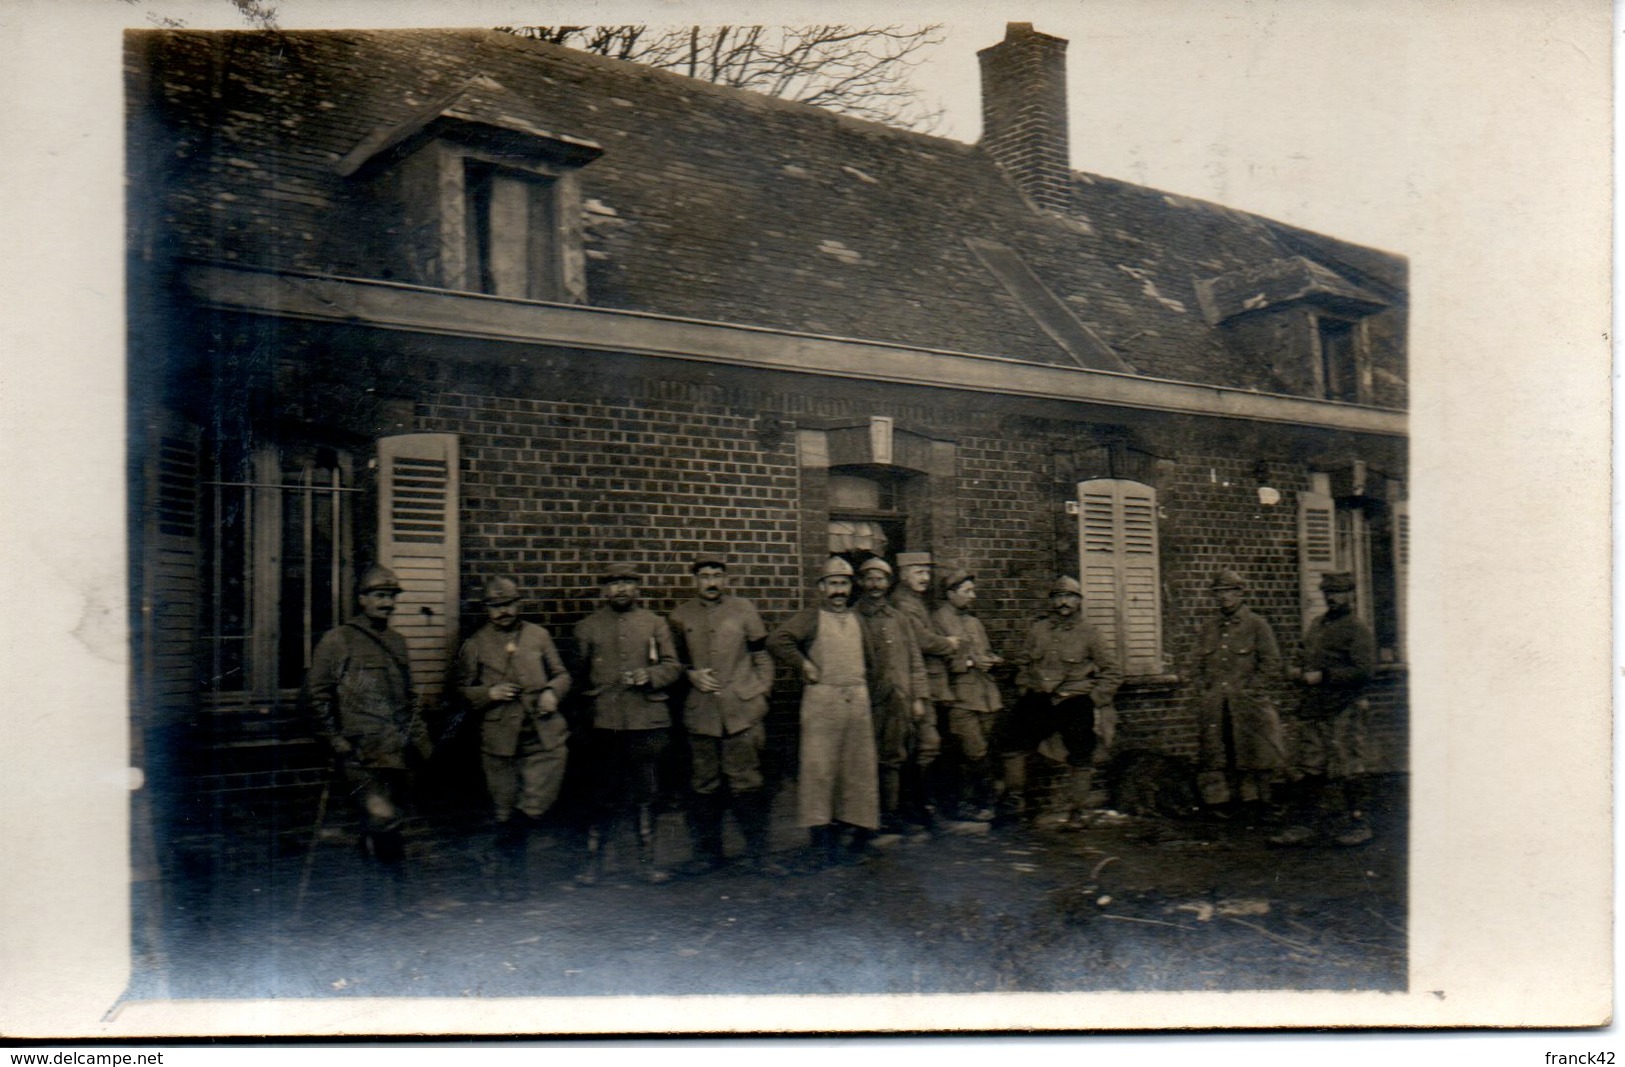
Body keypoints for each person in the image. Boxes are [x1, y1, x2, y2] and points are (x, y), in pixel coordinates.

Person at [304, 564, 433, 913]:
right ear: (362, 599)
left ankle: (374, 897)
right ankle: (398, 890)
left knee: (381, 823)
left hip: (395, 751)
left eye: (392, 597)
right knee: (382, 818)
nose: (387, 603)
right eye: (380, 596)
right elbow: (317, 696)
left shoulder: (398, 643)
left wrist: (422, 744)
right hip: (360, 754)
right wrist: (335, 739)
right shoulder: (338, 640)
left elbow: (408, 700)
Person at [454, 576, 572, 900]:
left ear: (518, 604)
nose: (502, 612)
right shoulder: (474, 644)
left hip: (542, 735)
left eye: (508, 605)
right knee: (504, 810)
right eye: (495, 606)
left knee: (536, 803)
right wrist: (488, 693)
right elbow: (460, 691)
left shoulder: (539, 636)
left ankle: (495, 855)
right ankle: (512, 880)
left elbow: (562, 674)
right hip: (499, 740)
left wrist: (552, 692)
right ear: (487, 609)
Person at [667, 557, 786, 878]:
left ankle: (759, 854)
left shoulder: (744, 609)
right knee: (704, 783)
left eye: (717, 576)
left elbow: (762, 656)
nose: (711, 583)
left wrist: (760, 693)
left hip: (741, 711)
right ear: (695, 581)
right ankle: (708, 854)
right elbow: (672, 664)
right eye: (704, 577)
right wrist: (691, 675)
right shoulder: (680, 616)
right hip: (702, 712)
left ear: (726, 579)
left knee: (747, 781)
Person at [767, 557, 881, 870]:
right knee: (820, 768)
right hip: (822, 700)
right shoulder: (811, 618)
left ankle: (858, 831)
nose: (838, 591)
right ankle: (821, 837)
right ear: (822, 587)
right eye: (833, 584)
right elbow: (778, 640)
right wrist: (804, 663)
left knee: (859, 768)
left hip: (855, 699)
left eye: (843, 584)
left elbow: (870, 661)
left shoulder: (859, 620)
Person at [572, 563, 684, 884]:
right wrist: (582, 723)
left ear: (638, 588)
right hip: (604, 724)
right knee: (601, 794)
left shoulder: (655, 624)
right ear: (604, 590)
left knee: (646, 793)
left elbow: (673, 667)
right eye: (614, 583)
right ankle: (594, 865)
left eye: (627, 582)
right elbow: (577, 679)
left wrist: (649, 676)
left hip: (647, 723)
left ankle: (647, 863)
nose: (621, 589)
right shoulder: (586, 628)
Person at [1000, 576, 1123, 828]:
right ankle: (1014, 802)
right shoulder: (1038, 629)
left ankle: (1077, 811)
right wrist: (1026, 687)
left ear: (1078, 601)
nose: (1064, 602)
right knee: (1011, 742)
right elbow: (1023, 662)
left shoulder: (1090, 633)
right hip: (1040, 698)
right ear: (1052, 601)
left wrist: (1093, 699)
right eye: (1058, 597)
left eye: (1070, 597)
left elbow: (1112, 671)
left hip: (1075, 700)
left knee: (1081, 754)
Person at [1270, 571, 1379, 847]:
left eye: (1339, 592)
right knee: (1311, 765)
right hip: (1315, 707)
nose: (1332, 597)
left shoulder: (1357, 629)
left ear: (1350, 594)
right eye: (1328, 592)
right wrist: (1295, 668)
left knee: (1349, 765)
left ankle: (1359, 823)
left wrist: (1325, 676)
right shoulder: (1317, 625)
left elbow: (1364, 671)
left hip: (1344, 706)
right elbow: (1303, 653)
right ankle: (1306, 824)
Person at [1191, 569, 1285, 819]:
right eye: (1218, 593)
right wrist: (1204, 689)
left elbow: (1271, 663)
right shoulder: (1210, 627)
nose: (1223, 597)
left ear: (1241, 594)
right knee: (1219, 751)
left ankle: (1260, 802)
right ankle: (1222, 803)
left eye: (1229, 592)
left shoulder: (1256, 625)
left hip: (1247, 702)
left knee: (1255, 751)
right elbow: (1197, 664)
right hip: (1216, 703)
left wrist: (1253, 689)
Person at [853, 557, 933, 839]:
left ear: (889, 583)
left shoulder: (899, 619)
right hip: (867, 701)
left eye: (881, 579)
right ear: (861, 583)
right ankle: (867, 819)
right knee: (866, 758)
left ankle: (892, 815)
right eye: (870, 579)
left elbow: (914, 659)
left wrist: (918, 698)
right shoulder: (853, 618)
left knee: (896, 757)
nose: (876, 585)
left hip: (899, 700)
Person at [887, 551, 955, 828]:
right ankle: (917, 810)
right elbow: (922, 640)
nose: (925, 578)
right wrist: (949, 643)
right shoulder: (903, 604)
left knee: (926, 748)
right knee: (924, 747)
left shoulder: (915, 602)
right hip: (916, 685)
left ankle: (922, 809)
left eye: (927, 572)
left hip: (929, 683)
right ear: (903, 575)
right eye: (919, 572)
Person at [933, 569, 1005, 822]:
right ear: (951, 594)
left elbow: (983, 651)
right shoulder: (938, 620)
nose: (972, 596)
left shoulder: (973, 622)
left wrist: (991, 659)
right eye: (967, 591)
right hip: (960, 697)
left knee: (980, 750)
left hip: (985, 696)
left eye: (973, 590)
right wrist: (973, 663)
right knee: (974, 750)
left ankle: (974, 804)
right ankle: (984, 803)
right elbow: (939, 661)